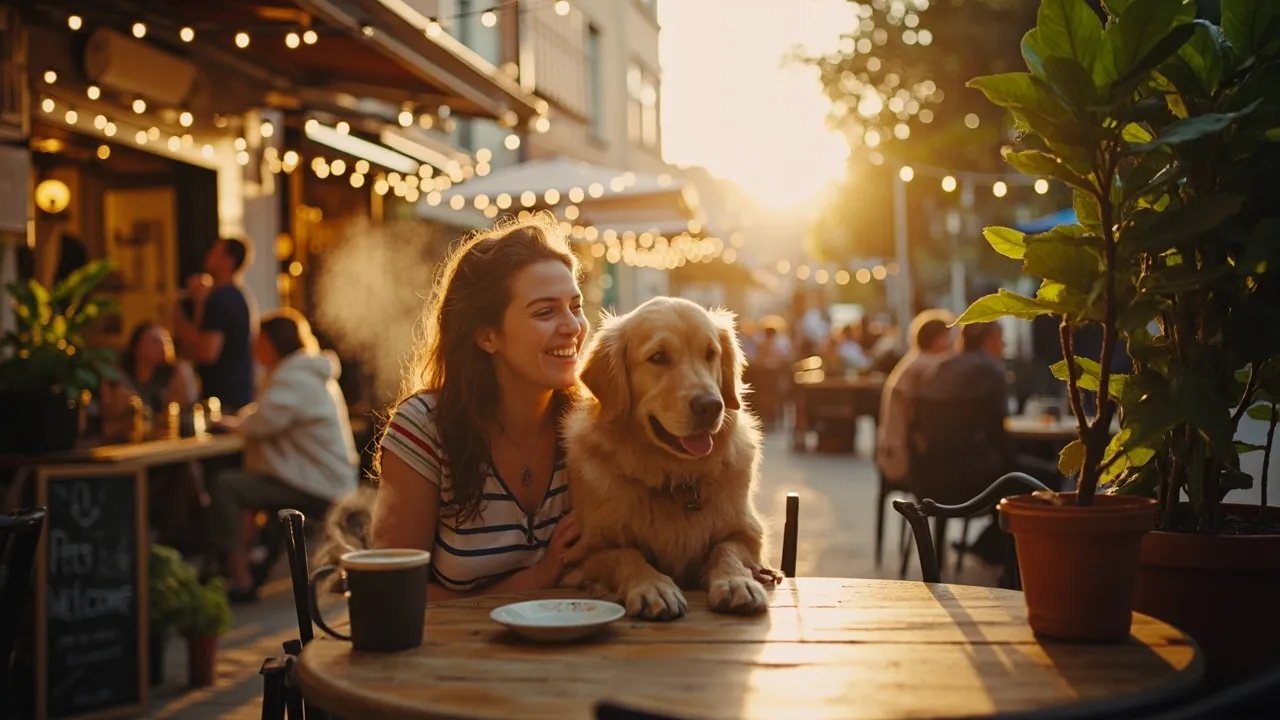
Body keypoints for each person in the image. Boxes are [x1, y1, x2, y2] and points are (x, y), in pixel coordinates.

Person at [372, 217, 585, 600]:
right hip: (453, 657)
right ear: (487, 336)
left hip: (575, 652)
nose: (573, 326)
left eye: (575, 306)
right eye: (545, 312)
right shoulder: (424, 429)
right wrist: (537, 579)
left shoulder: (591, 429)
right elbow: (391, 594)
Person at [209, 309, 359, 601]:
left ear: (271, 343)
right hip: (326, 477)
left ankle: (237, 575)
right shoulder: (305, 372)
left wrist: (231, 422)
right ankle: (245, 569)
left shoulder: (296, 378)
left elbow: (262, 422)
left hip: (318, 484)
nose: (254, 349)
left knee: (227, 486)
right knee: (245, 484)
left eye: (259, 341)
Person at [176, 237, 258, 413]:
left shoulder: (221, 299)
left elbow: (206, 353)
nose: (208, 256)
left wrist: (182, 321)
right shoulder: (239, 295)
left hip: (223, 403)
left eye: (215, 251)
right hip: (237, 396)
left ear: (228, 261)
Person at [875, 309, 954, 484]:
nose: (952, 343)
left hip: (891, 451)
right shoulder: (928, 365)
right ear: (937, 339)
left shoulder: (913, 360)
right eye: (948, 337)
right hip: (906, 456)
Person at [102, 322, 198, 417]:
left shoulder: (177, 373)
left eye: (167, 342)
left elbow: (188, 409)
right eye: (155, 342)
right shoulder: (119, 377)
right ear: (137, 346)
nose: (163, 347)